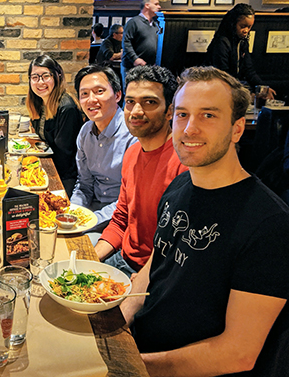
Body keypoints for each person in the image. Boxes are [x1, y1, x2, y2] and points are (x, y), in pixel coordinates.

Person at [124, 66, 289, 376]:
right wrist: (121, 316)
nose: (189, 130)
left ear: (237, 129)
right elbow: (159, 259)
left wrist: (132, 367)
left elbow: (237, 354)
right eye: (183, 114)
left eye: (208, 116)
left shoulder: (271, 225)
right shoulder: (180, 186)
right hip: (142, 345)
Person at [94, 65, 187, 277]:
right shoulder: (133, 152)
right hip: (123, 258)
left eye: (150, 102)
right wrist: (92, 257)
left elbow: (179, 244)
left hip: (155, 273)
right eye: (130, 102)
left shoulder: (183, 163)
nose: (136, 111)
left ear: (169, 110)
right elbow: (121, 218)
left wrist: (145, 279)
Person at [71, 65, 137, 244]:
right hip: (92, 211)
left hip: (120, 222)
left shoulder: (133, 137)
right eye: (84, 94)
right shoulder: (85, 132)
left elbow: (130, 201)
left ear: (117, 95)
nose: (91, 99)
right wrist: (72, 213)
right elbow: (84, 184)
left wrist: (89, 221)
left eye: (99, 91)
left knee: (76, 247)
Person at [26, 54, 85, 197]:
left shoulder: (66, 107)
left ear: (57, 77)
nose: (40, 82)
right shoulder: (40, 102)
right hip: (51, 169)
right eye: (35, 77)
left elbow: (64, 155)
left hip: (65, 176)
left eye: (46, 76)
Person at [205, 3, 276, 98]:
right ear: (233, 24)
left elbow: (249, 70)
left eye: (249, 27)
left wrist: (263, 88)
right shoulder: (221, 42)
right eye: (243, 26)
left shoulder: (242, 42)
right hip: (218, 87)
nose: (246, 30)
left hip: (234, 85)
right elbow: (223, 75)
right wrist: (245, 95)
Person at [121, 0, 161, 86]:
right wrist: (135, 59)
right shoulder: (133, 22)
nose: (159, 7)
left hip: (149, 67)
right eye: (156, 4)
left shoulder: (156, 25)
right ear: (147, 5)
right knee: (130, 95)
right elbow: (126, 43)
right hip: (132, 67)